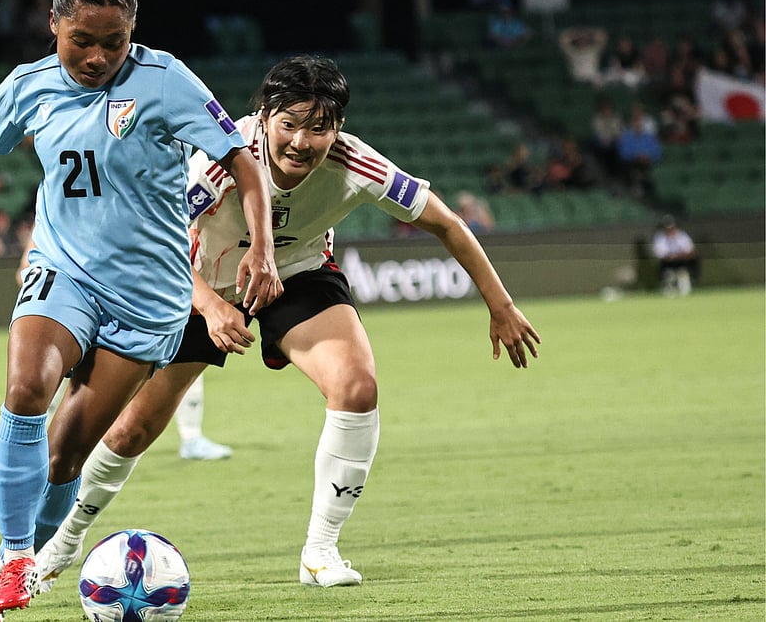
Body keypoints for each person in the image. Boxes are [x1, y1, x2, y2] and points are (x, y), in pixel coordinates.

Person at [0, 0, 281, 622]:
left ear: (133, 30)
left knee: (65, 452)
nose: (100, 55)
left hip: (149, 294)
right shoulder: (28, 87)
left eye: (116, 41)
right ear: (53, 24)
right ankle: (20, 556)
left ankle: (3, 563)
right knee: (26, 388)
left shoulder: (167, 82)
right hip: (63, 269)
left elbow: (240, 161)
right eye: (83, 39)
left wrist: (262, 246)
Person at [32, 55, 541, 595]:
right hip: (191, 277)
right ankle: (64, 541)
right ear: (264, 118)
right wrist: (210, 306)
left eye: (319, 128)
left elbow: (447, 222)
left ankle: (321, 550)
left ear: (337, 129)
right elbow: (154, 243)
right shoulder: (218, 158)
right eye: (290, 124)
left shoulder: (356, 164)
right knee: (132, 428)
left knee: (357, 386)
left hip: (295, 273)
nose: (302, 141)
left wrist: (500, 304)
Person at [651, 215, 698, 296]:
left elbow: (691, 251)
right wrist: (670, 257)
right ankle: (669, 290)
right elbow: (659, 253)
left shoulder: (682, 236)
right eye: (667, 228)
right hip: (667, 263)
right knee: (669, 275)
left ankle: (685, 292)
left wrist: (679, 256)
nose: (670, 230)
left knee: (683, 273)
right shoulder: (660, 237)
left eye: (671, 227)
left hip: (682, 261)